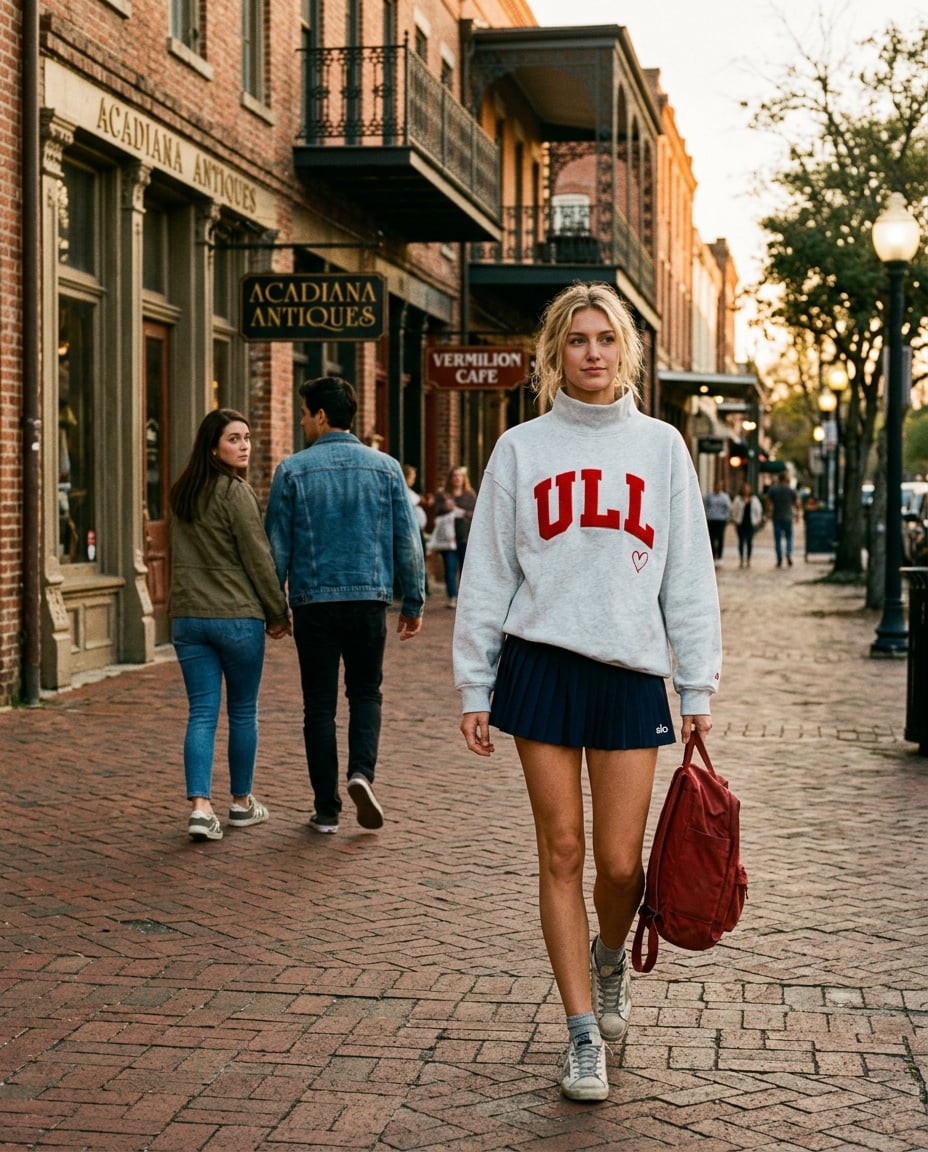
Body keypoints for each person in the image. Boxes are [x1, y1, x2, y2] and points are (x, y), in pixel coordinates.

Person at [452, 282, 721, 1104]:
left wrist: (697, 681)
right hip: (540, 666)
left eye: (605, 339)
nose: (593, 353)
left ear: (625, 351)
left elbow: (689, 574)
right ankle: (579, 1035)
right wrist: (475, 679)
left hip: (632, 669)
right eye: (577, 341)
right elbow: (489, 569)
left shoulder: (663, 447)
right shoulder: (521, 449)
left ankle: (610, 962)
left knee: (617, 865)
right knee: (561, 851)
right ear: (554, 354)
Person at [265, 376, 425, 835]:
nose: (300, 422)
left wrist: (275, 611)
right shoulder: (387, 467)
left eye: (303, 413)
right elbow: (407, 542)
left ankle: (326, 809)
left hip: (313, 603)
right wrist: (412, 601)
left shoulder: (292, 470)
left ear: (320, 415)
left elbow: (276, 549)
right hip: (368, 600)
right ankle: (361, 774)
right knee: (365, 693)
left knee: (318, 707)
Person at [169, 409, 292, 843]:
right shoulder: (234, 492)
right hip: (236, 617)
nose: (244, 446)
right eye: (234, 439)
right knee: (242, 711)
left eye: (247, 438)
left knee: (201, 712)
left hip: (188, 617)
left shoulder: (181, 492)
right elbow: (258, 557)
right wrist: (279, 613)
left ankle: (200, 809)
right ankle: (241, 803)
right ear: (212, 446)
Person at [432, 466, 476, 607]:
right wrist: (445, 507)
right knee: (450, 568)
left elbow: (477, 513)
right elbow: (436, 512)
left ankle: (465, 598)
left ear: (464, 479)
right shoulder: (443, 495)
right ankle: (452, 597)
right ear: (450, 479)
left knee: (466, 570)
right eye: (454, 475)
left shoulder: (469, 495)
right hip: (448, 538)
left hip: (465, 537)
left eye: (459, 475)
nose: (457, 478)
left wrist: (463, 513)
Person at [766, 474, 799, 567]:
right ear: (785, 479)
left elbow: (768, 502)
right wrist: (797, 515)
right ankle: (788, 552)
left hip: (777, 517)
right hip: (788, 516)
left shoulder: (773, 490)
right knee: (789, 537)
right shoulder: (791, 490)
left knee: (778, 539)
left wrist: (768, 513)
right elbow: (797, 503)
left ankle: (779, 558)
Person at [730, 481, 763, 568]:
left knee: (749, 542)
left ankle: (748, 560)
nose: (746, 490)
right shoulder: (738, 499)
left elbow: (758, 510)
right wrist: (735, 519)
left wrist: (757, 520)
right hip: (740, 523)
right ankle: (741, 559)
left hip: (750, 524)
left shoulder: (754, 499)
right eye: (745, 489)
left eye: (748, 489)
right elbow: (734, 509)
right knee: (741, 542)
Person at [703, 480, 732, 565]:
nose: (718, 487)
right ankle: (712, 556)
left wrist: (725, 517)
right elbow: (705, 505)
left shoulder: (725, 497)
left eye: (720, 486)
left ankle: (719, 557)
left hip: (721, 520)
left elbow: (728, 508)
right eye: (717, 486)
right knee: (711, 538)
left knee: (720, 538)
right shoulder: (708, 496)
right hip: (711, 519)